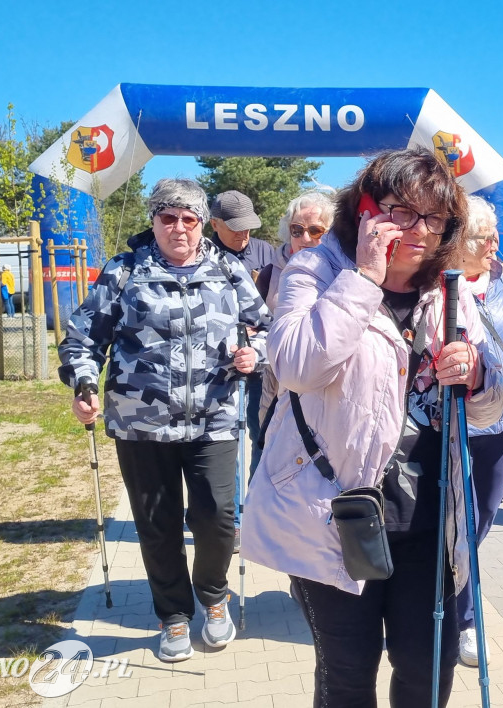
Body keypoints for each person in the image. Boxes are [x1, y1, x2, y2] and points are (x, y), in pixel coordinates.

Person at [241, 147, 503, 707]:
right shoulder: (311, 272)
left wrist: (477, 377)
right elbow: (293, 365)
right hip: (336, 513)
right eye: (399, 211)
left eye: (433, 218)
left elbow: (488, 411)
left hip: (430, 521)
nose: (417, 230)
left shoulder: (449, 290)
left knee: (426, 671)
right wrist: (364, 279)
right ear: (364, 210)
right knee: (347, 674)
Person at [58, 178, 271, 663]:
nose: (178, 227)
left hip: (213, 417)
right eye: (167, 218)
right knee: (157, 525)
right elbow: (83, 339)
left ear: (202, 224)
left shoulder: (228, 270)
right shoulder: (124, 271)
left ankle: (214, 599)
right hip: (141, 423)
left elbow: (264, 329)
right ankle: (173, 615)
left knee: (217, 517)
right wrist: (84, 384)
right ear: (153, 221)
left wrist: (251, 355)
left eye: (188, 219)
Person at [455, 195, 503, 667]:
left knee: (480, 523)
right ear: (458, 240)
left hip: (500, 424)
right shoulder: (437, 285)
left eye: (495, 234)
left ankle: (445, 588)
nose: (494, 244)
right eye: (484, 237)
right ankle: (465, 620)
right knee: (459, 525)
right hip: (451, 424)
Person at [209, 190, 269, 549]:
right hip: (220, 371)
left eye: (248, 227)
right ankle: (229, 521)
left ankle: (258, 512)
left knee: (262, 438)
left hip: (261, 366)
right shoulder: (202, 256)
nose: (243, 235)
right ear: (214, 224)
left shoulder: (266, 253)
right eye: (234, 228)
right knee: (226, 440)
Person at [254, 190, 333, 442]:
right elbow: (258, 326)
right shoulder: (269, 274)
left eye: (316, 231)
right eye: (297, 230)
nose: (305, 238)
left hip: (328, 387)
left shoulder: (346, 273)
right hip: (278, 386)